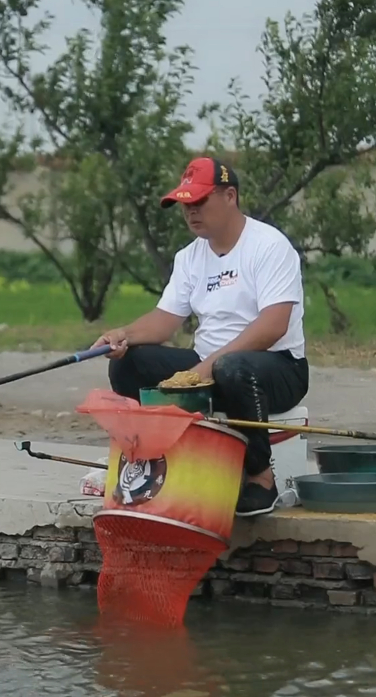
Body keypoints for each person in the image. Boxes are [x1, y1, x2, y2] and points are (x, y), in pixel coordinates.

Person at [92, 156, 309, 518]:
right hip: (211, 366)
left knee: (232, 367)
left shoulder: (270, 246)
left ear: (230, 196)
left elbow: (275, 325)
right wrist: (123, 334)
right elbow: (165, 321)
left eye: (199, 202)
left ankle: (260, 477)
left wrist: (208, 366)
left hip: (277, 369)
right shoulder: (189, 257)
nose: (190, 212)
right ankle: (160, 460)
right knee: (129, 364)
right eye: (184, 205)